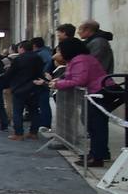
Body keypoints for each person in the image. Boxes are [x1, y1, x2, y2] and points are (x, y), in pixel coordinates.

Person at [46, 38, 112, 166]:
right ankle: (97, 152)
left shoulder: (80, 60)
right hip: (95, 92)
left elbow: (79, 80)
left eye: (61, 50)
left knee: (96, 125)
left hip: (97, 93)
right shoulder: (79, 59)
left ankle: (98, 155)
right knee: (94, 125)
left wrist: (58, 84)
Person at [7, 41, 47, 140]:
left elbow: (10, 73)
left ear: (22, 48)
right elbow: (41, 71)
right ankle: (33, 132)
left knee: (17, 111)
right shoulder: (38, 58)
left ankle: (19, 133)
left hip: (20, 88)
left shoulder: (18, 59)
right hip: (34, 86)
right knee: (34, 111)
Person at [32, 36, 54, 131]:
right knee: (42, 103)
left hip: (42, 81)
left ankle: (45, 124)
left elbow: (47, 65)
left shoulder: (42, 54)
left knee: (43, 103)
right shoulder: (46, 52)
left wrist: (43, 75)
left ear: (34, 45)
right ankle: (43, 122)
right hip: (43, 80)